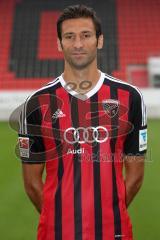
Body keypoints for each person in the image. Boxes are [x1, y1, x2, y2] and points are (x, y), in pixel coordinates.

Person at [18, 4, 147, 240]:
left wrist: (107, 215)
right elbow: (31, 182)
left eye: (86, 35)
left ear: (100, 41)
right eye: (69, 36)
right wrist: (59, 217)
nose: (78, 44)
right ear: (59, 43)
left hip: (114, 232)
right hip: (55, 233)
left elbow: (136, 174)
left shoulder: (130, 98)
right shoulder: (36, 103)